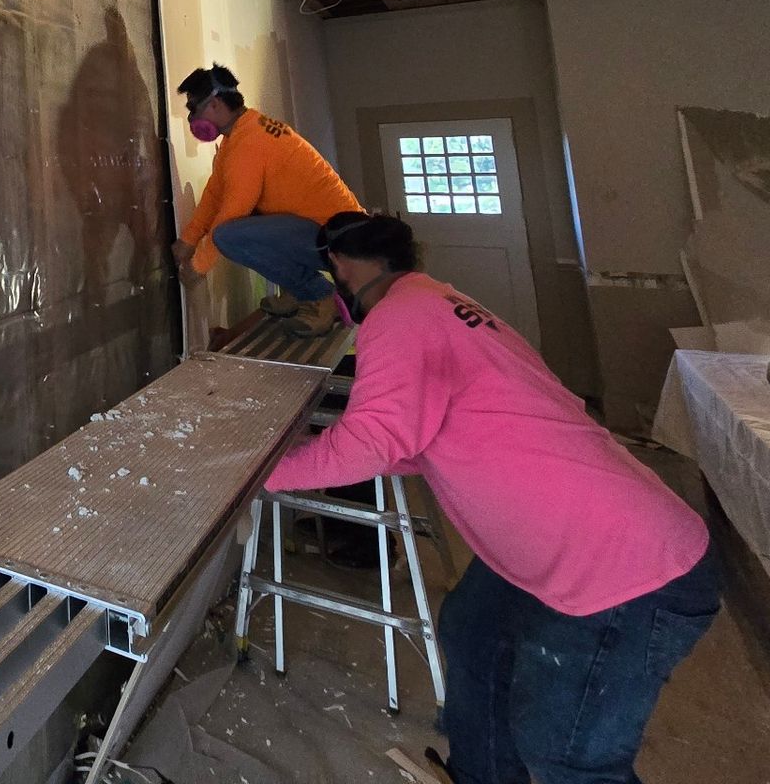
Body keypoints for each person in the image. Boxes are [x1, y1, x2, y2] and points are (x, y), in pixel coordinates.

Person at [267, 212, 720, 784]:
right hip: (577, 533)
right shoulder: (439, 301)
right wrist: (315, 447)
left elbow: (371, 444)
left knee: (566, 755)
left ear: (341, 266)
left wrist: (263, 471)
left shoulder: (398, 317)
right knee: (475, 631)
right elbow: (426, 435)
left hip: (622, 568)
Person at [172, 63, 360, 331]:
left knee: (229, 235)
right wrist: (188, 240)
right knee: (251, 221)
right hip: (323, 232)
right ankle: (297, 291)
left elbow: (233, 210)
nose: (191, 120)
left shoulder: (249, 143)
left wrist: (199, 266)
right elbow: (216, 193)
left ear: (214, 104)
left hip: (340, 241)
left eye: (193, 109)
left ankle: (321, 296)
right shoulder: (240, 135)